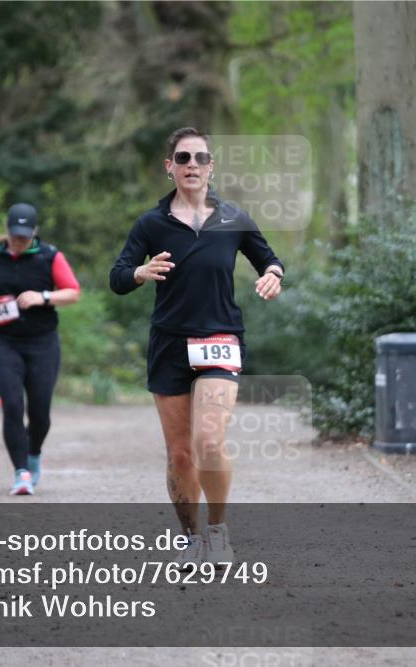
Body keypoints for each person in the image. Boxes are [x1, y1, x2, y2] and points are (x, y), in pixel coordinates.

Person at [109, 128, 284, 567]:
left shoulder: (234, 218)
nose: (191, 165)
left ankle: (219, 532)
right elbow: (117, 276)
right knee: (180, 453)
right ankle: (190, 537)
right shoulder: (151, 224)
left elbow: (269, 258)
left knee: (208, 440)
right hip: (169, 343)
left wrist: (274, 275)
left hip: (221, 339)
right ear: (169, 166)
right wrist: (140, 273)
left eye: (199, 158)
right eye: (182, 157)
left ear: (211, 166)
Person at [0, 203, 80, 495]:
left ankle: (33, 454)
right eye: (15, 235)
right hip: (2, 341)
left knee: (40, 412)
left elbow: (72, 293)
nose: (19, 241)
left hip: (42, 342)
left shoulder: (49, 256)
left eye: (25, 236)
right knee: (13, 405)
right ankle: (21, 473)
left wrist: (43, 296)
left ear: (35, 232)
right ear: (7, 231)